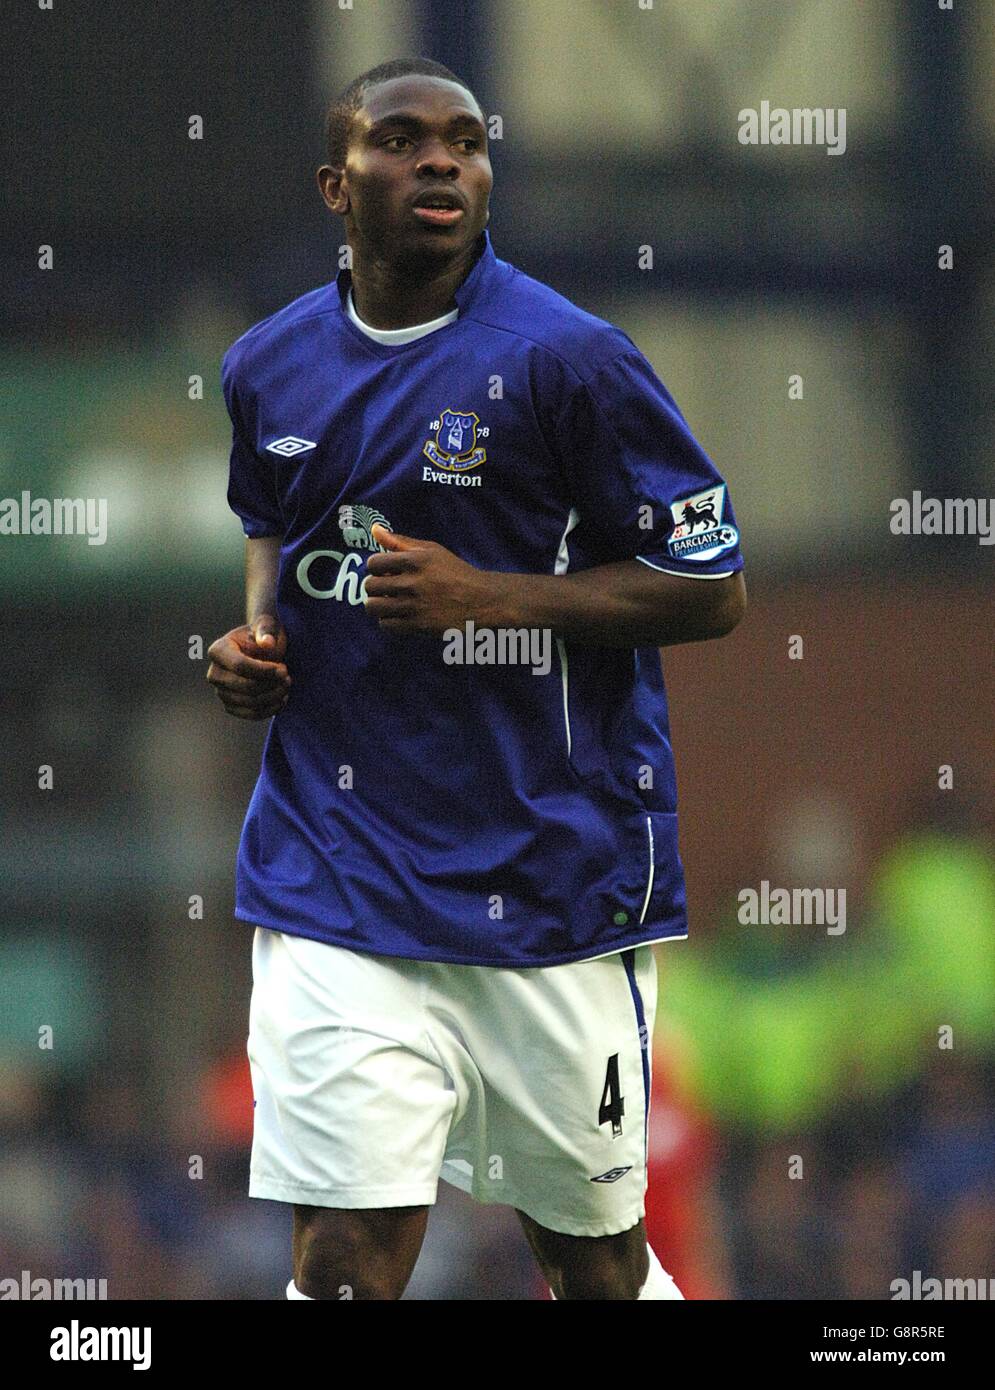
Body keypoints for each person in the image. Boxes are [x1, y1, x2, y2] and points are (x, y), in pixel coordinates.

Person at [207, 56, 747, 1301]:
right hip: (336, 875)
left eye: (464, 141)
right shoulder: (265, 365)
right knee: (344, 1259)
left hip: (549, 885)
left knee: (592, 1264)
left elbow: (712, 590)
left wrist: (489, 596)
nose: (441, 160)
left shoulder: (573, 361)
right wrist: (252, 645)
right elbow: (268, 522)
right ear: (336, 185)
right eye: (402, 141)